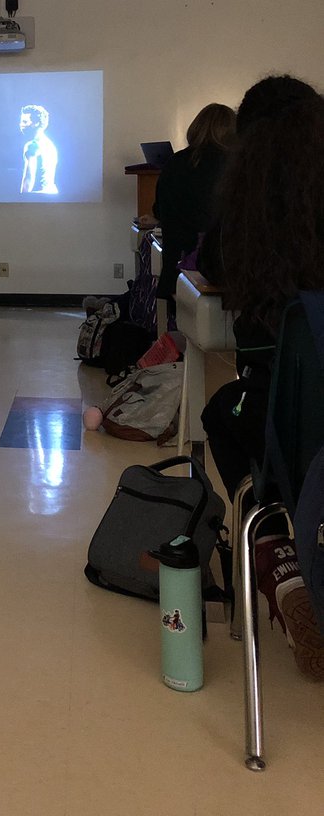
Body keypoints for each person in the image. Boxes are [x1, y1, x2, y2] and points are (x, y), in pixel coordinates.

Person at [198, 75, 324, 678]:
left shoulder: (247, 213)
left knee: (225, 415)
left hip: (297, 429)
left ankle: (280, 560)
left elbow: (217, 269)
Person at [153, 103, 235, 308]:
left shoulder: (175, 162)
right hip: (213, 267)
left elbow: (158, 209)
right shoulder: (233, 165)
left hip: (176, 265)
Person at [19, 105, 58, 195]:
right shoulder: (50, 144)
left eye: (25, 121)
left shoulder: (32, 145)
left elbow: (29, 178)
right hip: (51, 195)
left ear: (36, 123)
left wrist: (21, 200)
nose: (21, 124)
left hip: (37, 198)